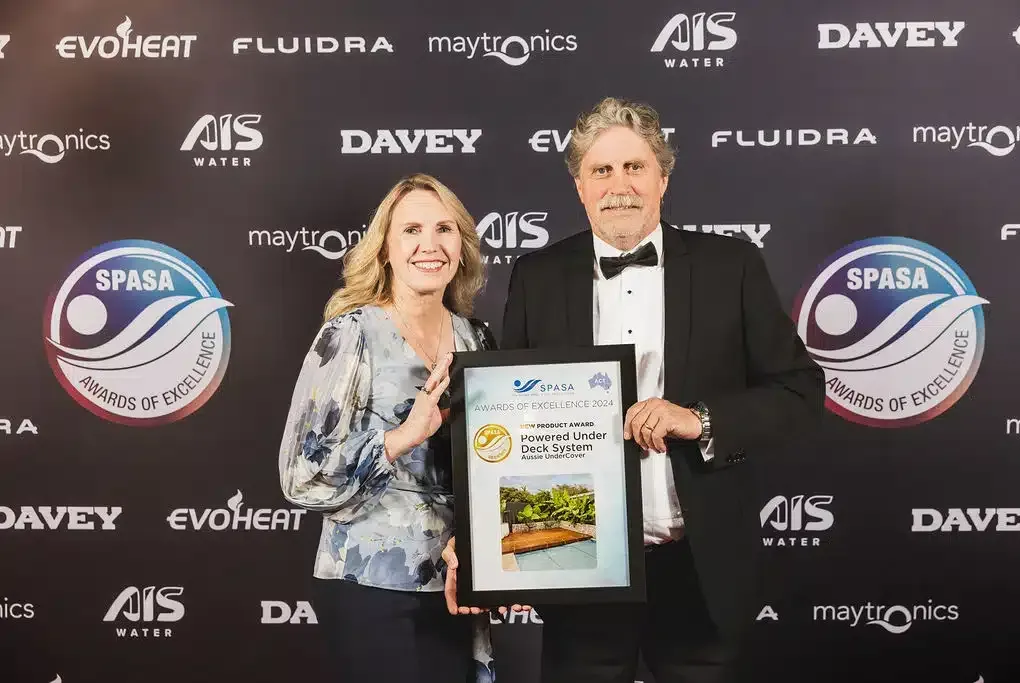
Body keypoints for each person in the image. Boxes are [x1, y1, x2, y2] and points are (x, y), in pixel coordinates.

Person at [500, 98, 826, 682]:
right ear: (579, 186)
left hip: (698, 562)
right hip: (579, 556)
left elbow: (800, 393)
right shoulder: (537, 275)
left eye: (635, 167)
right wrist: (519, 551)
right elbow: (512, 420)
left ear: (663, 178)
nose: (619, 185)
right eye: (601, 170)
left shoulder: (733, 265)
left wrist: (697, 418)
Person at [278, 173, 500, 683]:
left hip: (457, 582)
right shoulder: (350, 334)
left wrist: (480, 548)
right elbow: (300, 475)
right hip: (370, 582)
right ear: (384, 250)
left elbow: (490, 465)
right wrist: (402, 437)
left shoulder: (477, 339)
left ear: (462, 247)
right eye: (412, 230)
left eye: (445, 229)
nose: (430, 245)